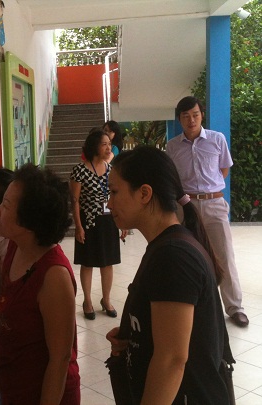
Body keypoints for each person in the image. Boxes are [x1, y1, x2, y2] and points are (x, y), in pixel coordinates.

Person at [105, 146, 229, 404]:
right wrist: (136, 336)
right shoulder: (165, 247)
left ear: (144, 193)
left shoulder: (173, 257)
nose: (109, 203)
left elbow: (172, 360)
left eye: (114, 192)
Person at [0, 164, 80, 405]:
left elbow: (60, 359)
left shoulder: (54, 276)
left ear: (28, 222)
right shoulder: (16, 246)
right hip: (13, 388)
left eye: (6, 205)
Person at [166, 96, 249, 327]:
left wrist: (207, 190)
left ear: (202, 115)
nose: (191, 120)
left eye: (195, 114)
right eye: (185, 116)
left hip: (214, 205)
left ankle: (235, 307)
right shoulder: (172, 146)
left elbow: (223, 170)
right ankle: (192, 306)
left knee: (224, 255)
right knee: (187, 256)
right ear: (179, 119)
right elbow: (172, 178)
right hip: (186, 207)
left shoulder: (217, 139)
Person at [69, 129, 126, 320]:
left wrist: (123, 222)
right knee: (87, 263)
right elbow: (75, 201)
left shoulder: (111, 170)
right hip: (88, 222)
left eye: (110, 144)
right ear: (94, 146)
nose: (109, 148)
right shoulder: (80, 170)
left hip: (109, 221)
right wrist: (78, 226)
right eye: (104, 144)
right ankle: (87, 301)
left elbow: (118, 197)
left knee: (108, 263)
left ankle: (106, 300)